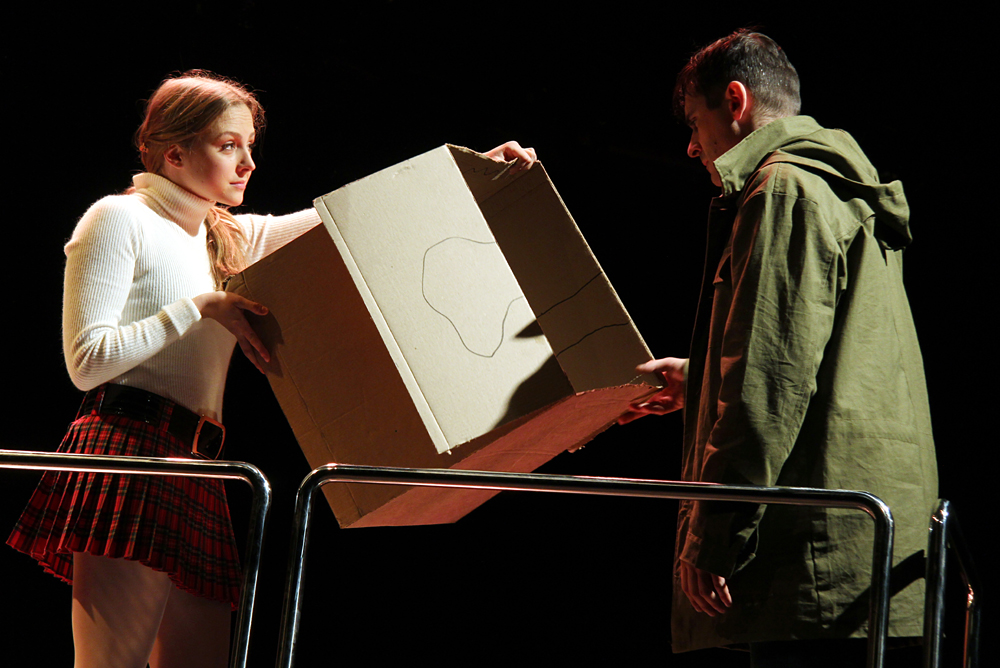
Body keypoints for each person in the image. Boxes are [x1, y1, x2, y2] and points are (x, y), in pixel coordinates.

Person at [6, 70, 536, 668]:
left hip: (199, 463)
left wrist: (468, 170)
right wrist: (199, 306)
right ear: (174, 154)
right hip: (130, 449)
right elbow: (86, 362)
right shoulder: (118, 218)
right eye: (228, 145)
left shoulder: (227, 235)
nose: (247, 163)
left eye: (250, 146)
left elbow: (351, 217)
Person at [622, 31, 937, 666]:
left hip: (815, 561)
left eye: (695, 122)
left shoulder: (783, 189)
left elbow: (768, 381)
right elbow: (824, 356)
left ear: (735, 102)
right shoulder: (837, 186)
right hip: (866, 547)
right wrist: (701, 378)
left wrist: (713, 534)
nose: (691, 146)